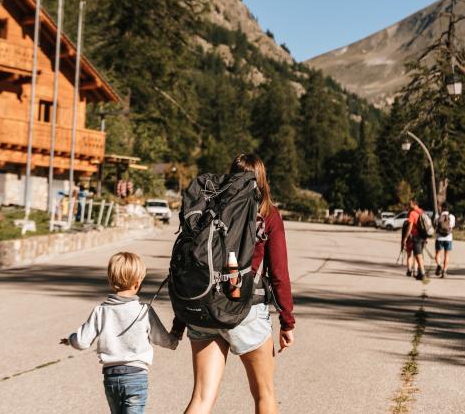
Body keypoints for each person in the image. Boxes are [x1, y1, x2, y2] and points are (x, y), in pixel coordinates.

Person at [178, 153, 295, 414]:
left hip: (204, 309)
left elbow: (190, 265)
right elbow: (278, 274)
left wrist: (181, 319)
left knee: (201, 398)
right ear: (262, 179)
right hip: (245, 309)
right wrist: (287, 322)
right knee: (264, 395)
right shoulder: (268, 215)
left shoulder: (209, 209)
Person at [61, 251, 179, 414]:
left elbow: (81, 341)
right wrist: (174, 340)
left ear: (111, 280)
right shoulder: (144, 311)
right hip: (136, 378)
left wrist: (70, 339)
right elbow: (163, 339)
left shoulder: (100, 311)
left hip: (111, 378)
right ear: (138, 283)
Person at [401, 198, 426, 281]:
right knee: (419, 255)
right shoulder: (421, 211)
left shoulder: (412, 213)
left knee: (418, 256)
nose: (409, 205)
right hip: (423, 236)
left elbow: (410, 227)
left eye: (410, 203)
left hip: (416, 236)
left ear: (414, 204)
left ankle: (422, 273)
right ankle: (420, 273)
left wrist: (405, 238)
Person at [434, 203, 456, 278]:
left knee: (437, 254)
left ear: (442, 208)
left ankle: (439, 265)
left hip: (439, 238)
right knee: (446, 255)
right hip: (448, 238)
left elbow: (435, 225)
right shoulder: (452, 217)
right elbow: (452, 227)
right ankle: (444, 271)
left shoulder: (438, 216)